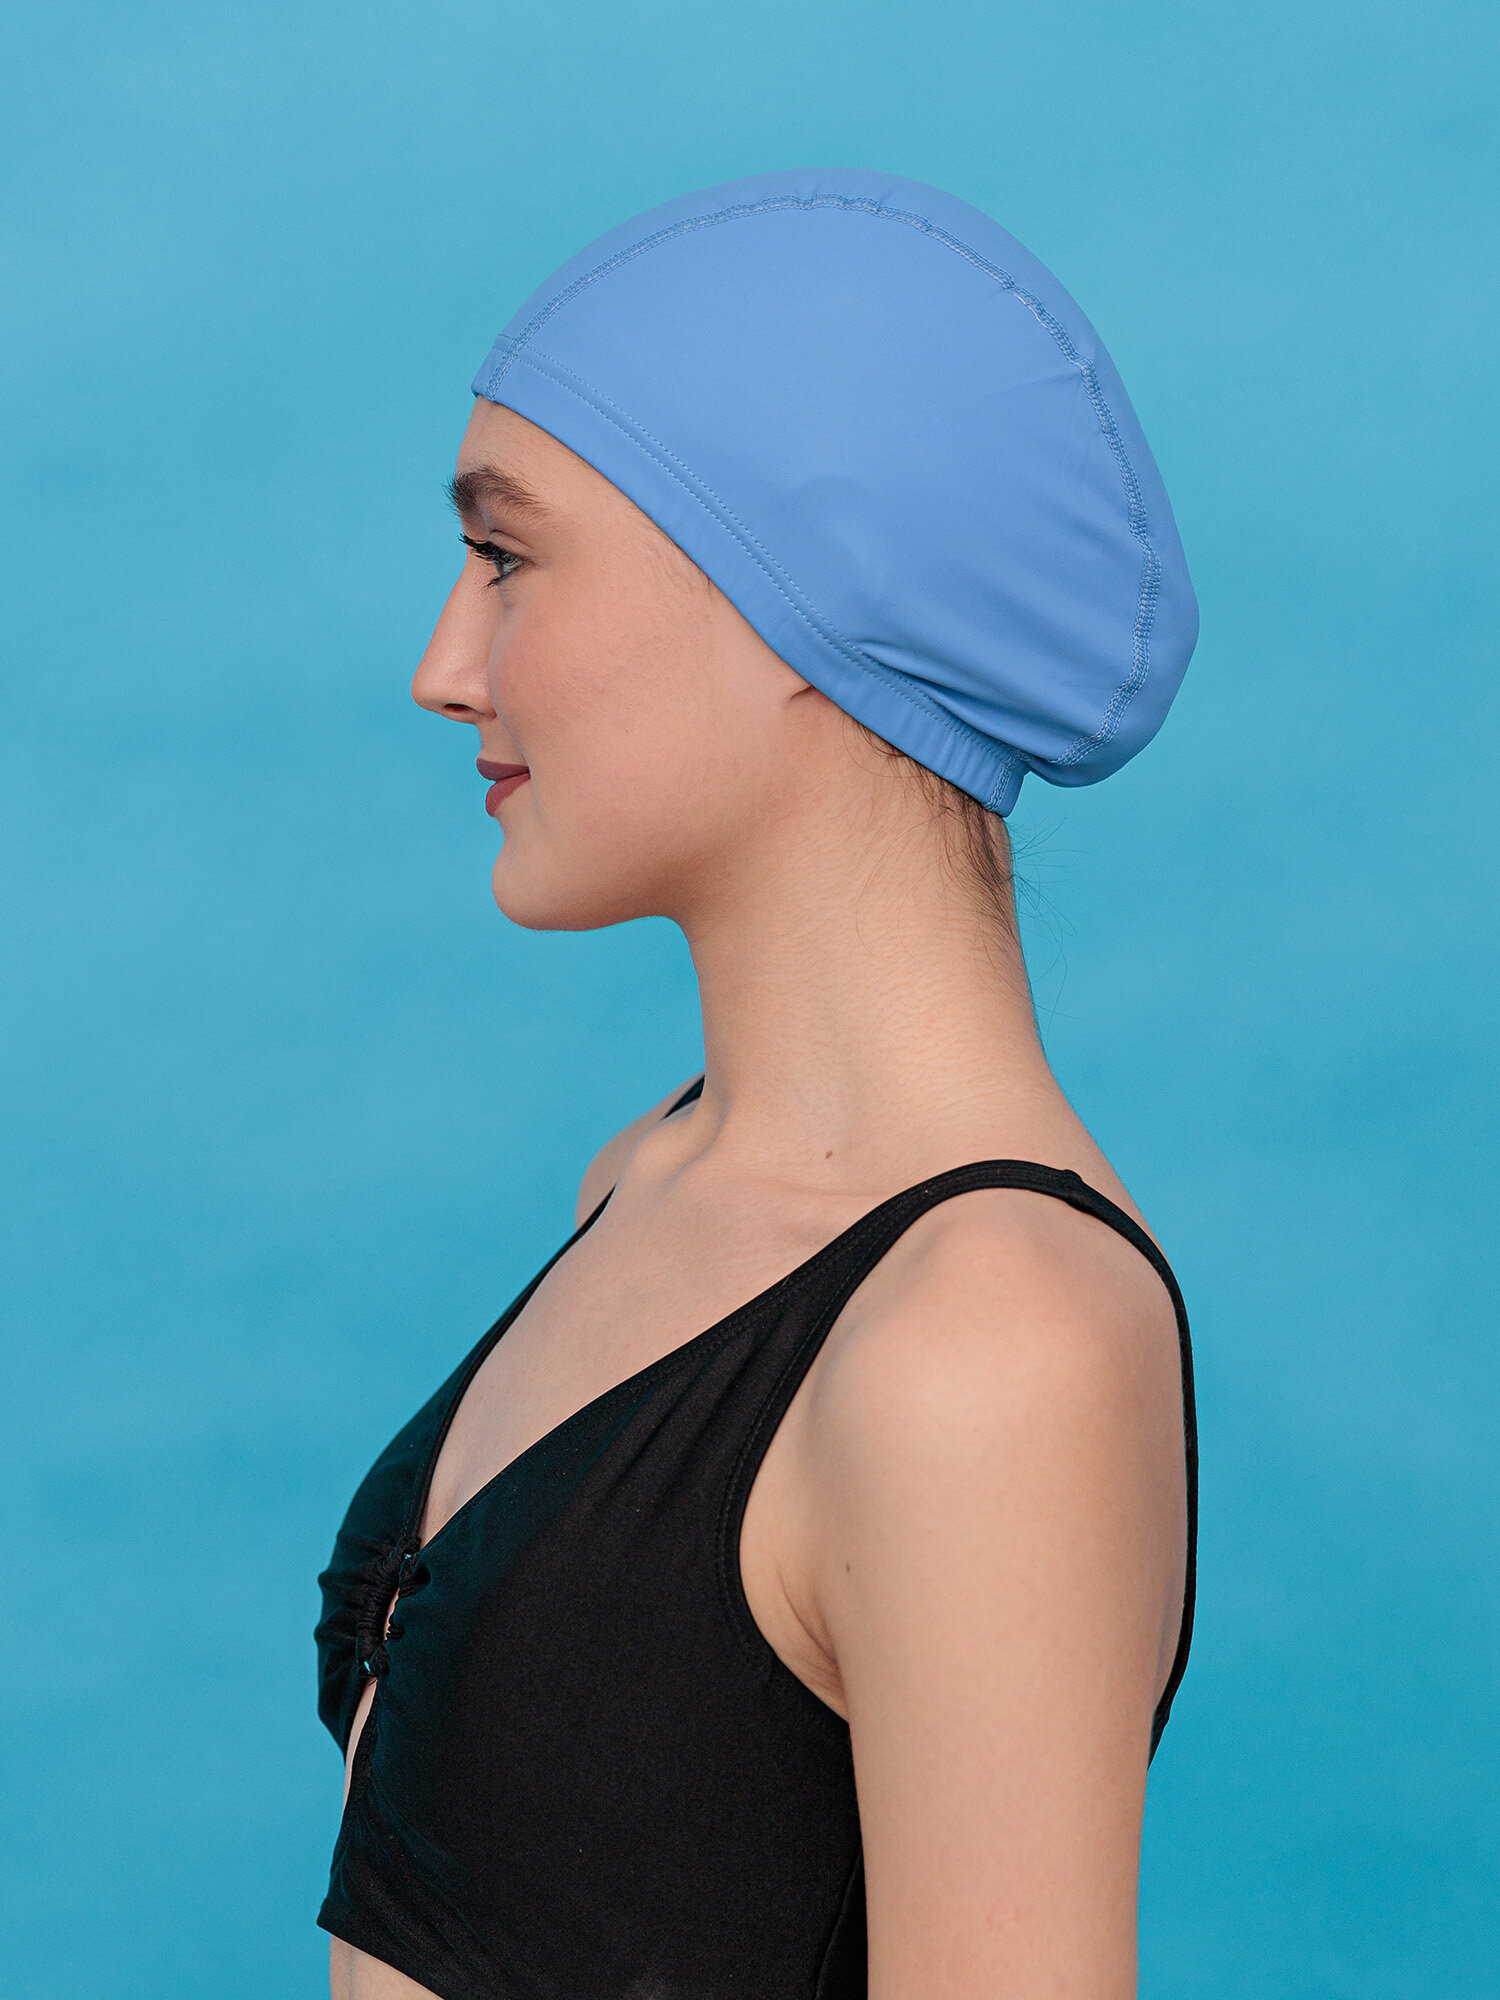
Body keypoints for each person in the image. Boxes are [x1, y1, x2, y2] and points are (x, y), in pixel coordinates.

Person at [315, 169, 1200, 2000]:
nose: (441, 668)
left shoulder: (987, 1346)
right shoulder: (647, 1177)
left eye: (506, 557)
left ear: (809, 588)